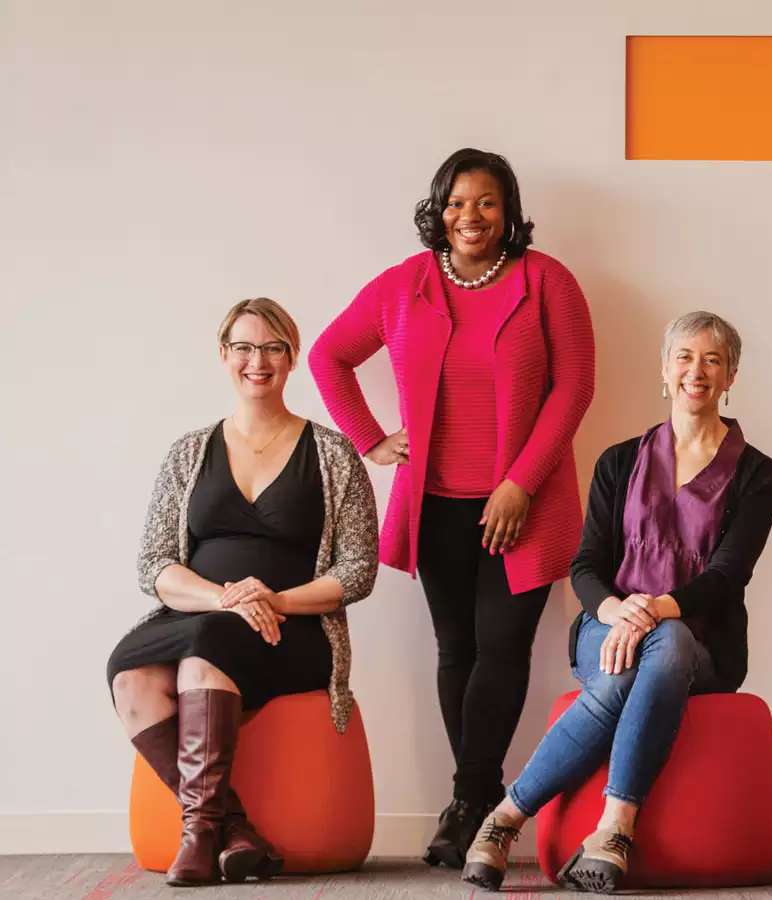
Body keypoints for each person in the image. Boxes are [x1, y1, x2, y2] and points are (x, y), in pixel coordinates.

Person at [308, 147, 596, 866]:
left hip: (522, 507)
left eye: (487, 202)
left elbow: (574, 388)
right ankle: (479, 798)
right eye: (458, 202)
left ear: (509, 213)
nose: (471, 216)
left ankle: (468, 805)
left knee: (502, 648)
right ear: (438, 210)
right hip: (435, 505)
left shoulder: (547, 282)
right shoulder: (403, 286)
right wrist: (371, 439)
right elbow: (328, 356)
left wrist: (520, 482)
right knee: (456, 650)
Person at [460, 311, 772, 894]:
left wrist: (656, 610)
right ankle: (589, 833)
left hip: (703, 642)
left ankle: (538, 821)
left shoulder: (759, 473)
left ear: (731, 374)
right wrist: (617, 612)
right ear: (665, 369)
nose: (696, 371)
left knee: (661, 650)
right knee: (621, 675)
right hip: (607, 628)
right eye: (684, 356)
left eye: (713, 359)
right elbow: (585, 566)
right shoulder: (618, 462)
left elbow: (729, 575)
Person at [108, 298, 378, 886]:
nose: (259, 360)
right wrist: (225, 598)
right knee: (130, 671)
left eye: (274, 347)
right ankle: (227, 830)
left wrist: (274, 600)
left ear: (293, 357)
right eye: (245, 347)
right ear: (224, 355)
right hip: (204, 613)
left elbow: (358, 570)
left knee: (204, 654)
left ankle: (202, 836)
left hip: (296, 631)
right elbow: (154, 564)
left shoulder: (333, 454)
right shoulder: (189, 452)